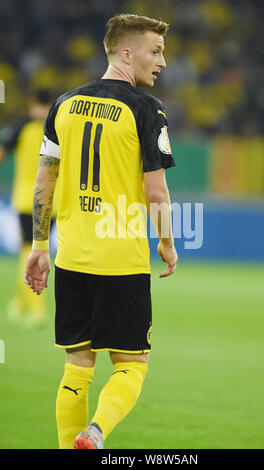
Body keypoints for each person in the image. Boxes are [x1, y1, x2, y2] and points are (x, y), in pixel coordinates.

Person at [24, 13, 178, 449]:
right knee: (132, 364)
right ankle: (96, 431)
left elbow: (43, 182)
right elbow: (157, 193)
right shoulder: (147, 110)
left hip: (70, 258)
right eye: (156, 51)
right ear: (126, 53)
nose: (162, 62)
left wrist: (39, 246)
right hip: (122, 261)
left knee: (77, 367)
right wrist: (167, 243)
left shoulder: (64, 103)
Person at [0, 88, 57, 327]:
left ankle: (35, 307)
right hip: (54, 200)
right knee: (36, 248)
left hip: (27, 198)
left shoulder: (21, 125)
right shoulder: (58, 126)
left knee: (30, 249)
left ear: (31, 101)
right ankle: (21, 303)